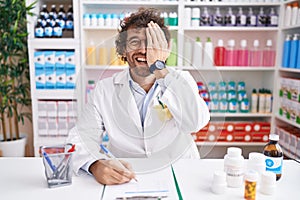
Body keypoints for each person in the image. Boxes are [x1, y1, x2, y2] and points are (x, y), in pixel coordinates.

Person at [67, 7, 210, 185]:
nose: (144, 50)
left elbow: (194, 122)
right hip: (127, 178)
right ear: (123, 50)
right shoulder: (104, 90)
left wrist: (159, 68)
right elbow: (80, 138)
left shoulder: (182, 80)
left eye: (152, 43)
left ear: (165, 49)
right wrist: (94, 165)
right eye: (135, 42)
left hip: (181, 175)